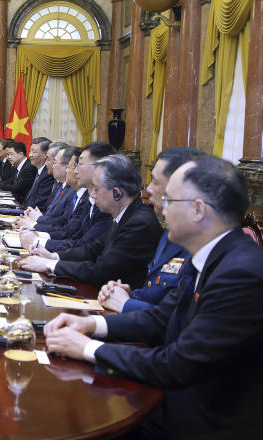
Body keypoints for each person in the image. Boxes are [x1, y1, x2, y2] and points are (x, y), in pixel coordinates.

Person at [44, 156, 263, 438]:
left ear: (198, 210)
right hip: (173, 398)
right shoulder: (213, 254)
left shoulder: (239, 273)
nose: (159, 206)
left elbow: (178, 364)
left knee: (69, 414)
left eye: (170, 200)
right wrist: (93, 326)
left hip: (201, 420)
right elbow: (162, 317)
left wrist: (88, 348)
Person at [19, 154, 162, 288]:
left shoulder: (139, 223)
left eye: (96, 189)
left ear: (117, 193)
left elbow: (101, 271)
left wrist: (50, 264)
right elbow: (92, 249)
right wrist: (53, 256)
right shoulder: (125, 213)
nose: (92, 195)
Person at [98, 146, 201, 313]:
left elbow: (176, 318)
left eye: (155, 181)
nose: (149, 188)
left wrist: (127, 304)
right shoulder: (170, 231)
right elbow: (157, 292)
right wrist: (130, 294)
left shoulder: (199, 245)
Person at [20, 141, 116, 253]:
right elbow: (74, 235)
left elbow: (81, 243)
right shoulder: (87, 197)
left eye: (79, 165)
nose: (75, 171)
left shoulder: (100, 203)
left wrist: (37, 237)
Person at [22, 138, 56, 211]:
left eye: (34, 152)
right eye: (30, 151)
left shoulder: (48, 174)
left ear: (45, 154)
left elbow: (40, 204)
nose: (30, 155)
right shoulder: (37, 170)